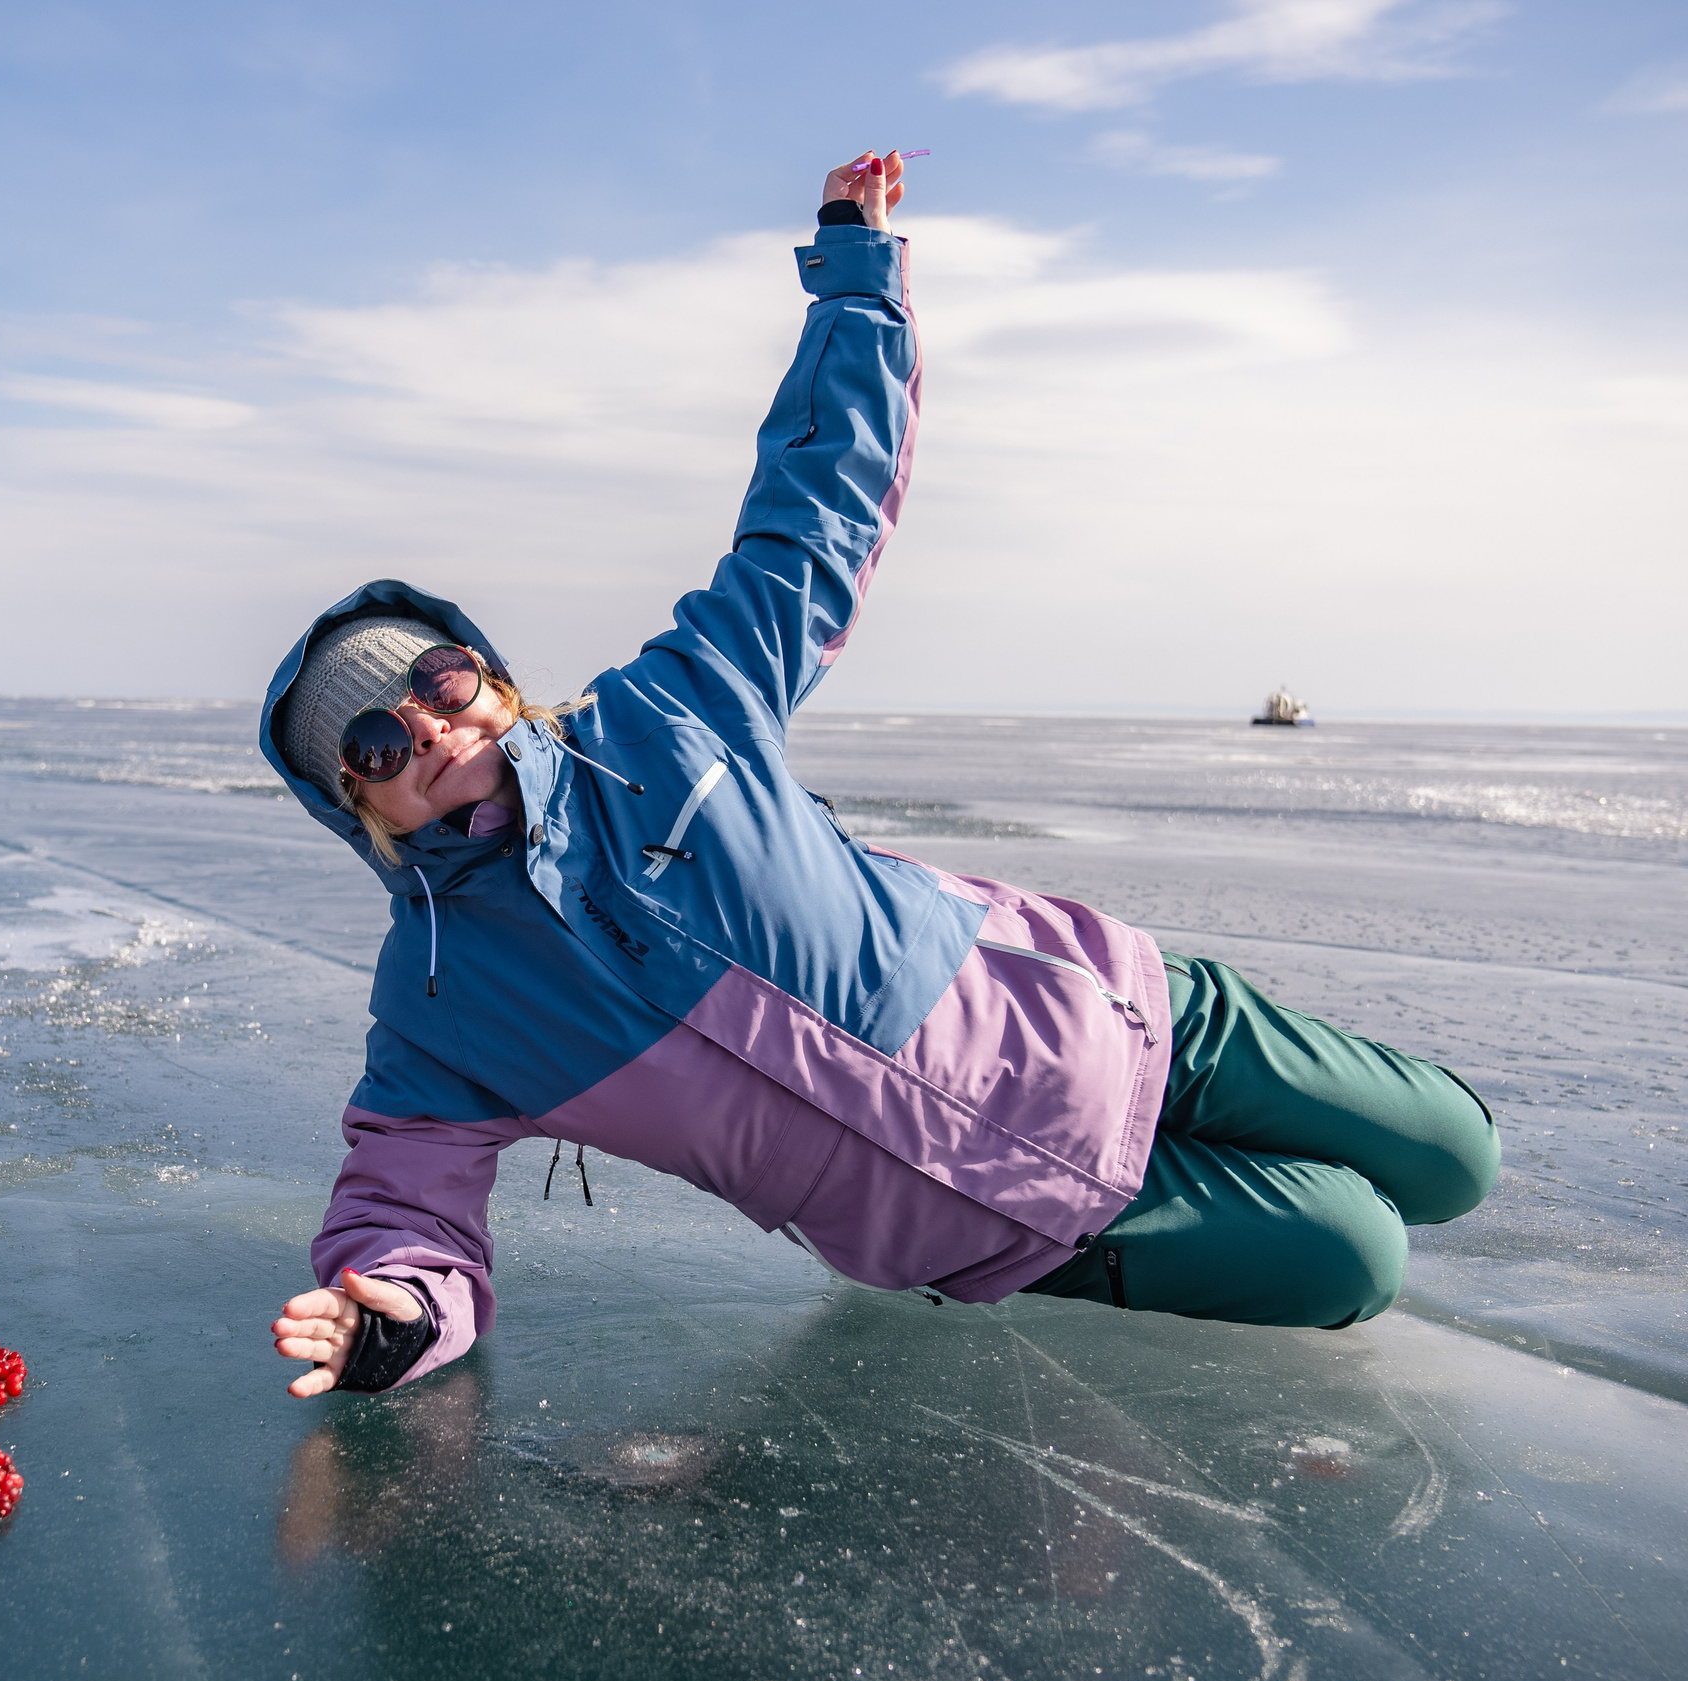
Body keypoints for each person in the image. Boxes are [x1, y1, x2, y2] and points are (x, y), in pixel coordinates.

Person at [259, 153, 1498, 1399]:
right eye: (371, 742)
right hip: (1000, 1227)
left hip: (1117, 1025)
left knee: (1456, 1154)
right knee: (1358, 1254)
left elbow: (813, 514)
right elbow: (400, 1189)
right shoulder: (443, 999)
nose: (420, 726)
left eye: (436, 679)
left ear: (489, 677)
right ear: (359, 803)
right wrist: (396, 1313)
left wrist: (856, 279)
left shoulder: (668, 716)